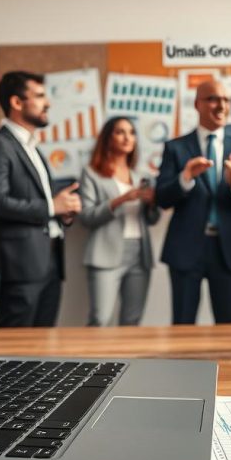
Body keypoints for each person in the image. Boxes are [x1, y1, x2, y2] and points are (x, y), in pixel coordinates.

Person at [0, 71, 82, 327]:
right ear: (16, 102)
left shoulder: (33, 147)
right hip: (21, 266)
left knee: (44, 347)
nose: (47, 103)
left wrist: (62, 210)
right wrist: (51, 206)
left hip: (50, 262)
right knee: (14, 347)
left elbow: (43, 202)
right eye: (40, 96)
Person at [156, 79, 231, 325]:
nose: (221, 105)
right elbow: (162, 198)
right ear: (197, 104)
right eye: (213, 99)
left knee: (230, 327)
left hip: (227, 249)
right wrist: (185, 178)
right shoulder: (176, 148)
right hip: (185, 249)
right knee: (183, 325)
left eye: (227, 100)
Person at [77, 116, 160, 326]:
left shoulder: (141, 175)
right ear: (107, 138)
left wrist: (152, 203)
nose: (127, 138)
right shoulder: (91, 173)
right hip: (106, 253)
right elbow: (86, 217)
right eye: (120, 132)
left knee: (132, 321)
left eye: (131, 133)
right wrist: (122, 199)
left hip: (140, 254)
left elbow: (153, 219)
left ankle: (126, 361)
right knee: (100, 319)